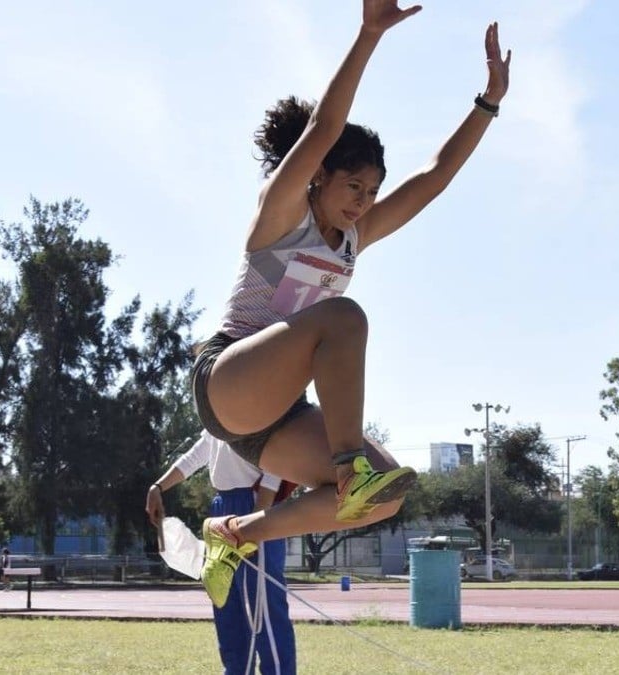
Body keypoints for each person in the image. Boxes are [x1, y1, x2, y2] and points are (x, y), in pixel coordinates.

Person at [192, 0, 512, 608]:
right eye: (352, 187)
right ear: (317, 179)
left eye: (372, 191)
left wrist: (488, 103)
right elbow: (324, 130)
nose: (364, 202)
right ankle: (347, 463)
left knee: (386, 495)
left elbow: (435, 175)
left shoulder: (355, 237)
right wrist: (368, 35)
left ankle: (234, 537)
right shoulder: (282, 214)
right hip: (228, 378)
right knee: (345, 317)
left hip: (274, 418)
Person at [147, 432, 296, 674]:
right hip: (221, 508)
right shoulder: (217, 411)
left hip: (256, 504)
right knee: (226, 604)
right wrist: (158, 486)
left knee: (264, 610)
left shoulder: (260, 401)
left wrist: (259, 515)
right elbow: (197, 454)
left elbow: (279, 454)